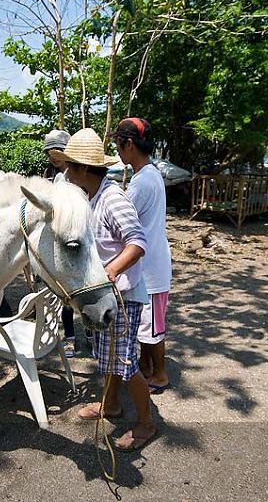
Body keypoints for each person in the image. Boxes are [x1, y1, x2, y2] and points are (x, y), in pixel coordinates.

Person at [51, 128, 157, 451]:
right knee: (108, 357)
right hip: (106, 296)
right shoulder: (89, 198)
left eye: (69, 166)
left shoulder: (112, 198)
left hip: (124, 295)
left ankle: (146, 423)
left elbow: (138, 242)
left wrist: (110, 269)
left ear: (83, 169)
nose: (65, 172)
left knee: (125, 364)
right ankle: (110, 405)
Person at [113, 117, 172, 394]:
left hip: (150, 268)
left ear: (129, 145)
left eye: (118, 144)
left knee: (151, 328)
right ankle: (148, 369)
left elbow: (123, 220)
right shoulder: (149, 174)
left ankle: (160, 374)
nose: (117, 150)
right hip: (154, 261)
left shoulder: (140, 183)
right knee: (148, 326)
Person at [41, 129, 77, 356]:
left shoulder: (78, 175)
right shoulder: (55, 177)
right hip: (61, 239)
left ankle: (92, 336)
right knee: (64, 296)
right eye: (49, 153)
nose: (53, 157)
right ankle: (70, 337)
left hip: (76, 239)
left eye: (57, 152)